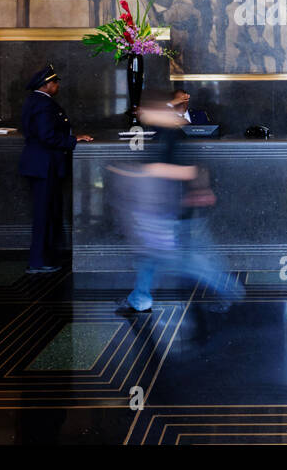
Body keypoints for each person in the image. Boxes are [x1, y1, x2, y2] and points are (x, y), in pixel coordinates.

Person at [116, 91, 244, 313]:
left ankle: (227, 287)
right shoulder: (163, 133)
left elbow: (187, 171)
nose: (144, 114)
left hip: (170, 208)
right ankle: (139, 298)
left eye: (148, 111)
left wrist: (147, 171)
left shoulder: (172, 135)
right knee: (150, 256)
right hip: (161, 207)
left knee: (181, 260)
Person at [19, 64, 93, 272]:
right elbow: (47, 136)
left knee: (47, 212)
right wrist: (72, 140)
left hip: (41, 165)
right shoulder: (43, 104)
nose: (57, 85)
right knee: (44, 213)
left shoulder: (36, 101)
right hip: (45, 165)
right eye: (55, 82)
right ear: (46, 85)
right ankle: (38, 261)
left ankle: (44, 258)